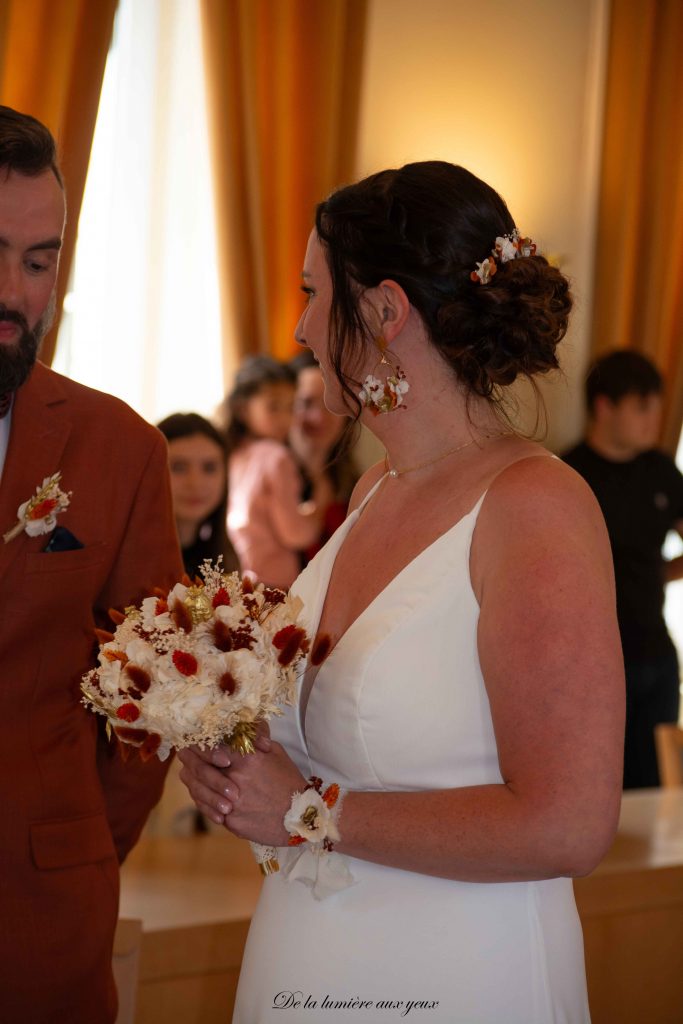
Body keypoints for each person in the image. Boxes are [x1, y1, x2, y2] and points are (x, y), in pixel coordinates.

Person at [179, 161, 624, 1023]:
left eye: (314, 294)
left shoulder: (534, 506)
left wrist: (308, 811)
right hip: (307, 956)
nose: (304, 329)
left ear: (385, 311)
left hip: (459, 971)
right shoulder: (380, 487)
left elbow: (569, 824)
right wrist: (235, 756)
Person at [0, 106, 183, 1023]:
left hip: (38, 924)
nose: (12, 292)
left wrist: (75, 843)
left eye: (39, 262)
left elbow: (154, 700)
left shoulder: (119, 449)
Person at [563, 350, 683, 788]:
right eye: (642, 406)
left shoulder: (661, 471)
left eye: (656, 405)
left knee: (654, 789)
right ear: (604, 406)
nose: (654, 418)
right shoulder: (568, 475)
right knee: (596, 784)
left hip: (658, 656)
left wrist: (657, 575)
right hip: (594, 661)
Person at [224, 354, 332, 589]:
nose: (285, 418)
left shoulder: (233, 454)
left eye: (290, 407)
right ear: (243, 409)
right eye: (273, 407)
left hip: (241, 576)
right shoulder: (277, 458)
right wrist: (319, 505)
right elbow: (295, 534)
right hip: (275, 582)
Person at [289, 347, 359, 564]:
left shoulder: (357, 482)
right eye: (306, 403)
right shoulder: (270, 479)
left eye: (330, 402)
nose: (319, 417)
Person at [157, 412, 239, 579]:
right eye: (178, 467)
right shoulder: (130, 561)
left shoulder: (223, 558)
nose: (195, 483)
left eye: (209, 468)